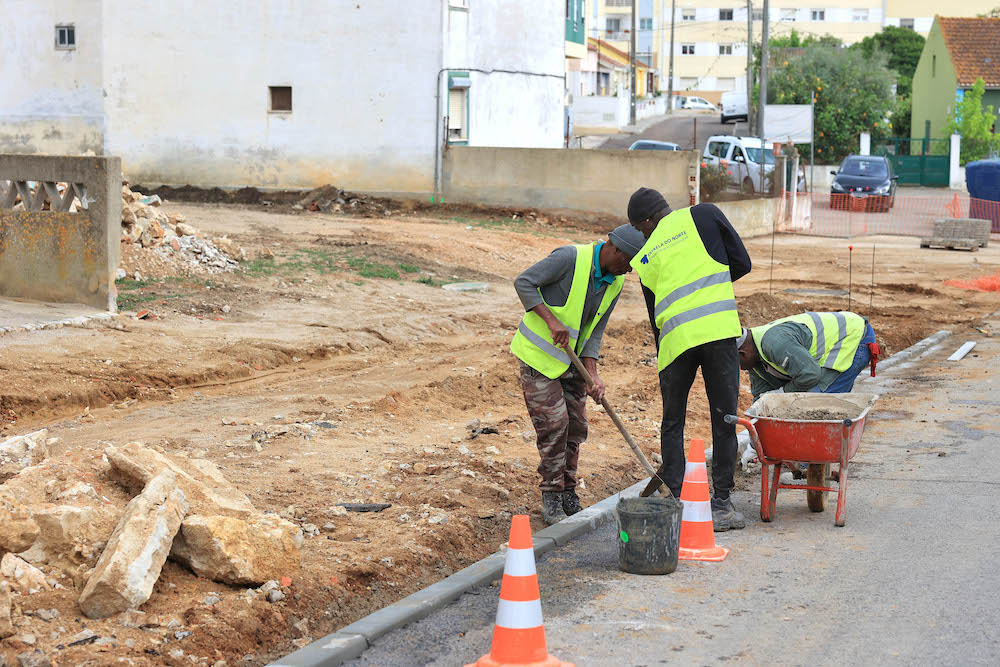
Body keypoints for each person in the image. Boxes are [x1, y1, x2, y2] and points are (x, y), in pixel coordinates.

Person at [627, 187, 752, 532]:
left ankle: (679, 502)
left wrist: (663, 358)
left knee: (673, 422)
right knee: (724, 419)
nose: (642, 234)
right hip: (717, 331)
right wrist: (714, 287)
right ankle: (722, 505)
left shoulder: (646, 254)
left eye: (640, 228)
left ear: (650, 220)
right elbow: (742, 262)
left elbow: (655, 316)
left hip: (675, 342)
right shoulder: (705, 214)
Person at [512, 224, 648, 525]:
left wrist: (593, 374)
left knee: (576, 426)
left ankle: (568, 491)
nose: (628, 271)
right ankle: (551, 493)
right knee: (554, 425)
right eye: (628, 263)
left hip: (572, 363)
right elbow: (523, 282)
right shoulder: (569, 258)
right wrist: (550, 320)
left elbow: (595, 331)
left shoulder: (613, 281)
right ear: (615, 249)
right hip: (540, 358)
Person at [737, 311, 879, 403]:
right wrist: (754, 444)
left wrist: (783, 393)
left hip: (854, 338)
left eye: (733, 363)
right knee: (796, 402)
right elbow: (761, 401)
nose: (736, 369)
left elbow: (810, 375)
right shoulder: (754, 362)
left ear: (743, 353)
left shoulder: (775, 343)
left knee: (813, 402)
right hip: (836, 345)